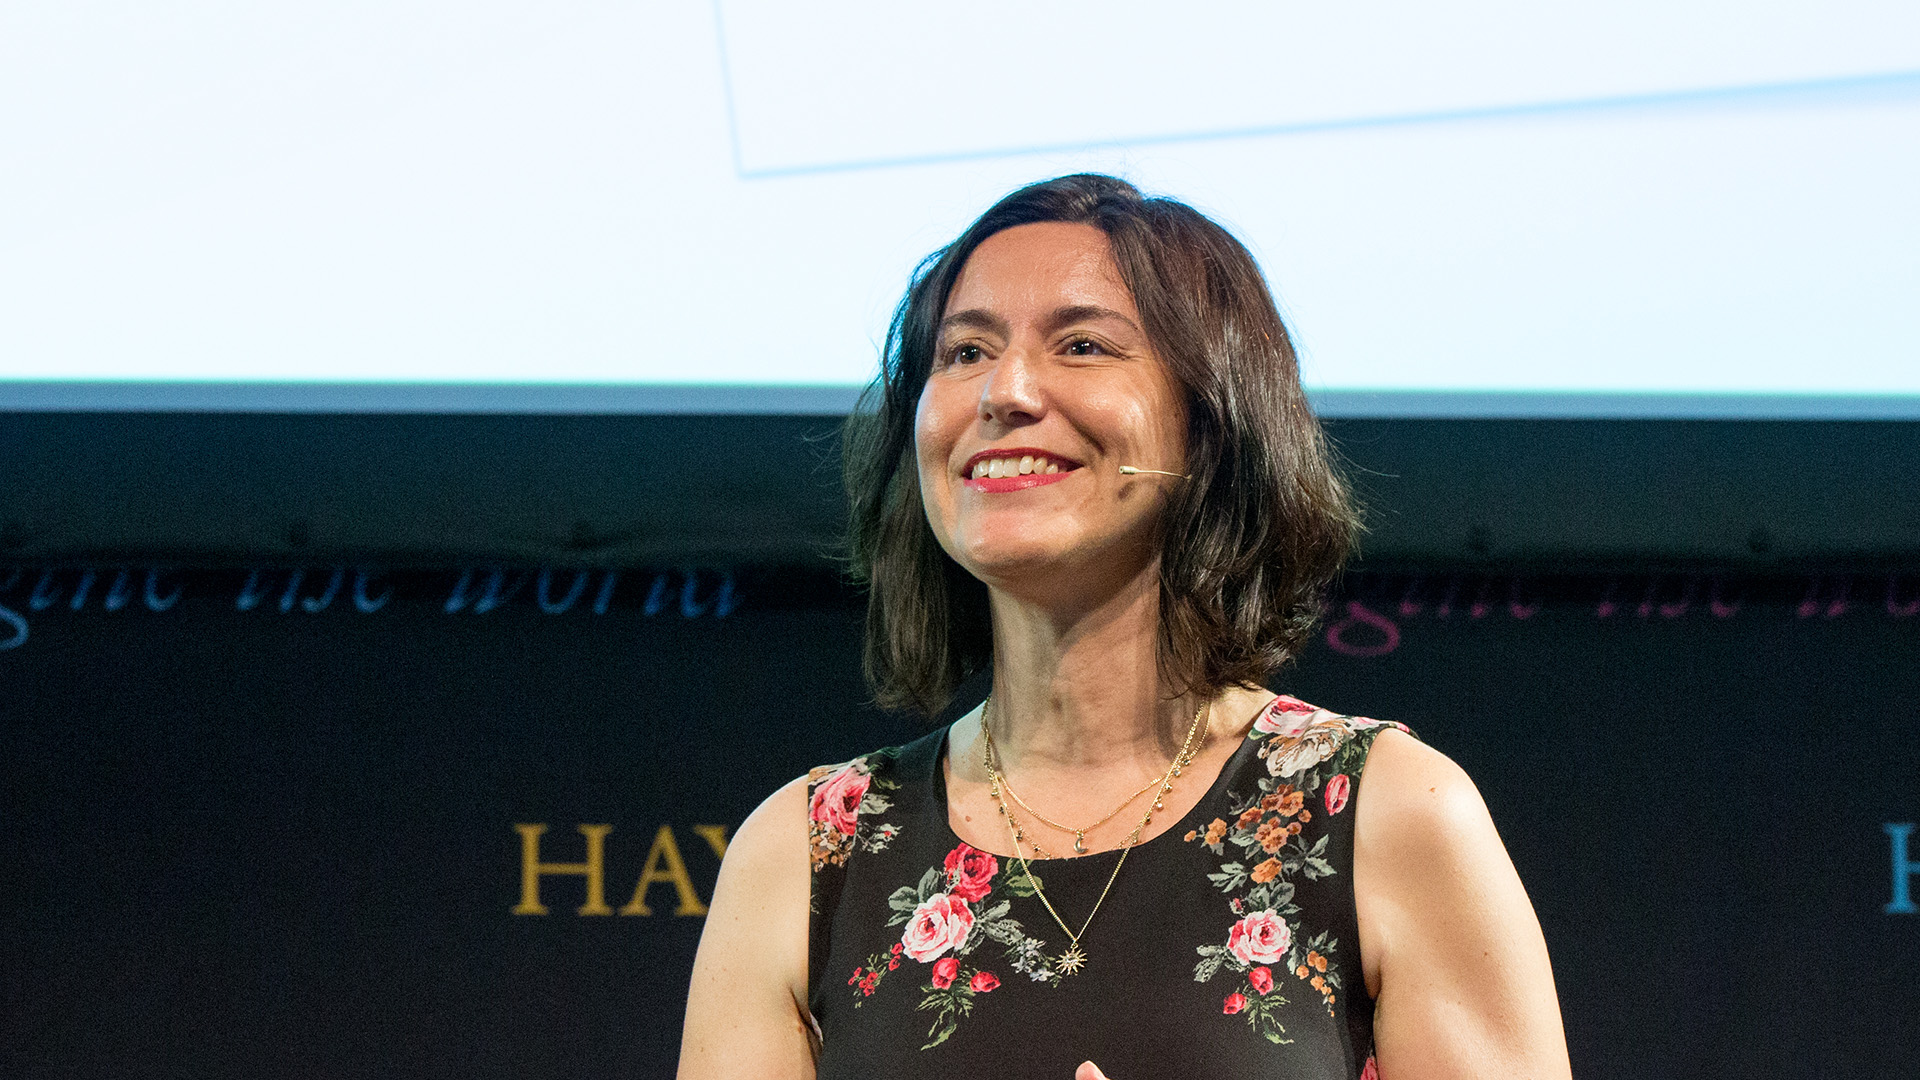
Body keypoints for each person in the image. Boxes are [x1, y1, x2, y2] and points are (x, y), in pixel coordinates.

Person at [679, 174, 1571, 1080]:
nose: (1006, 391)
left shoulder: (1390, 815)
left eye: (1082, 344)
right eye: (963, 353)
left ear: (1212, 420)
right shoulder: (806, 855)